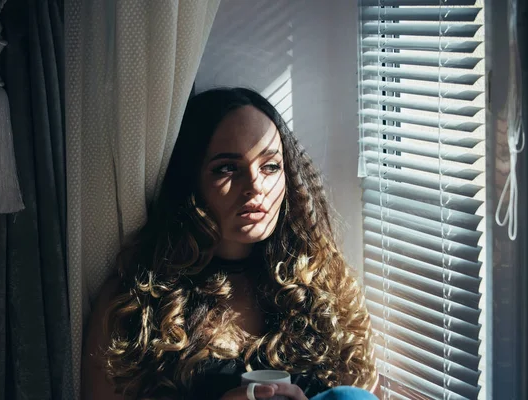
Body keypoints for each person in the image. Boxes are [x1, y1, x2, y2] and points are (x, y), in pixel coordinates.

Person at [82, 87, 380, 400]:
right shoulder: (138, 301)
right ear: (191, 179)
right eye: (227, 168)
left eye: (270, 166)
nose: (255, 187)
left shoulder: (321, 283)